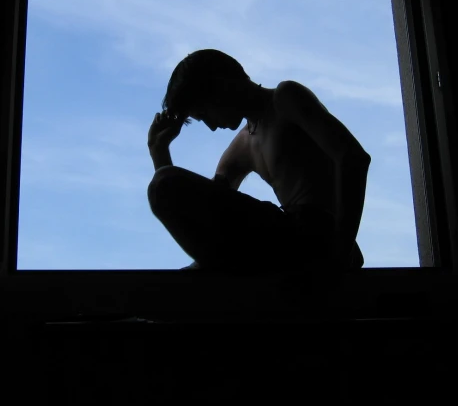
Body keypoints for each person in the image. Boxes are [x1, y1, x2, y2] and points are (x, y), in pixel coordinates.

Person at [147, 49, 370, 273]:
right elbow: (202, 222)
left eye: (205, 114)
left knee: (164, 183)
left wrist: (340, 255)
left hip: (319, 239)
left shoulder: (285, 99)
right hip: (289, 246)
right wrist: (159, 150)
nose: (212, 126)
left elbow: (353, 158)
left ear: (219, 85)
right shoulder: (241, 145)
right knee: (165, 189)